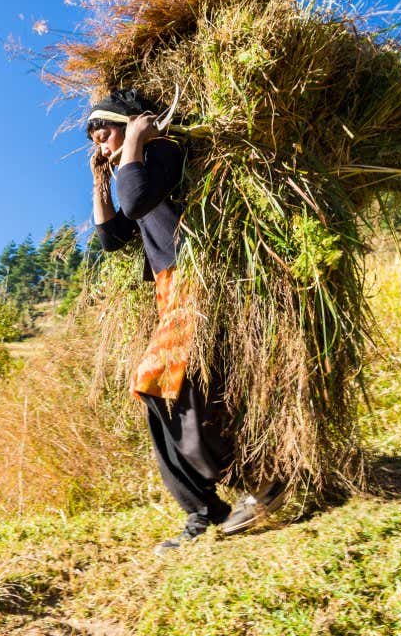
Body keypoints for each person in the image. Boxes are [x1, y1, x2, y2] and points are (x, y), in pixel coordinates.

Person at [88, 88, 285, 554]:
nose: (97, 137)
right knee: (158, 392)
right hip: (169, 291)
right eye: (91, 132)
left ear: (133, 122)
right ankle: (204, 510)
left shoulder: (166, 151)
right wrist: (99, 178)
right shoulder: (132, 167)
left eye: (105, 126)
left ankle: (261, 478)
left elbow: (134, 202)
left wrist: (135, 141)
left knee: (164, 383)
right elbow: (114, 238)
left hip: (196, 280)